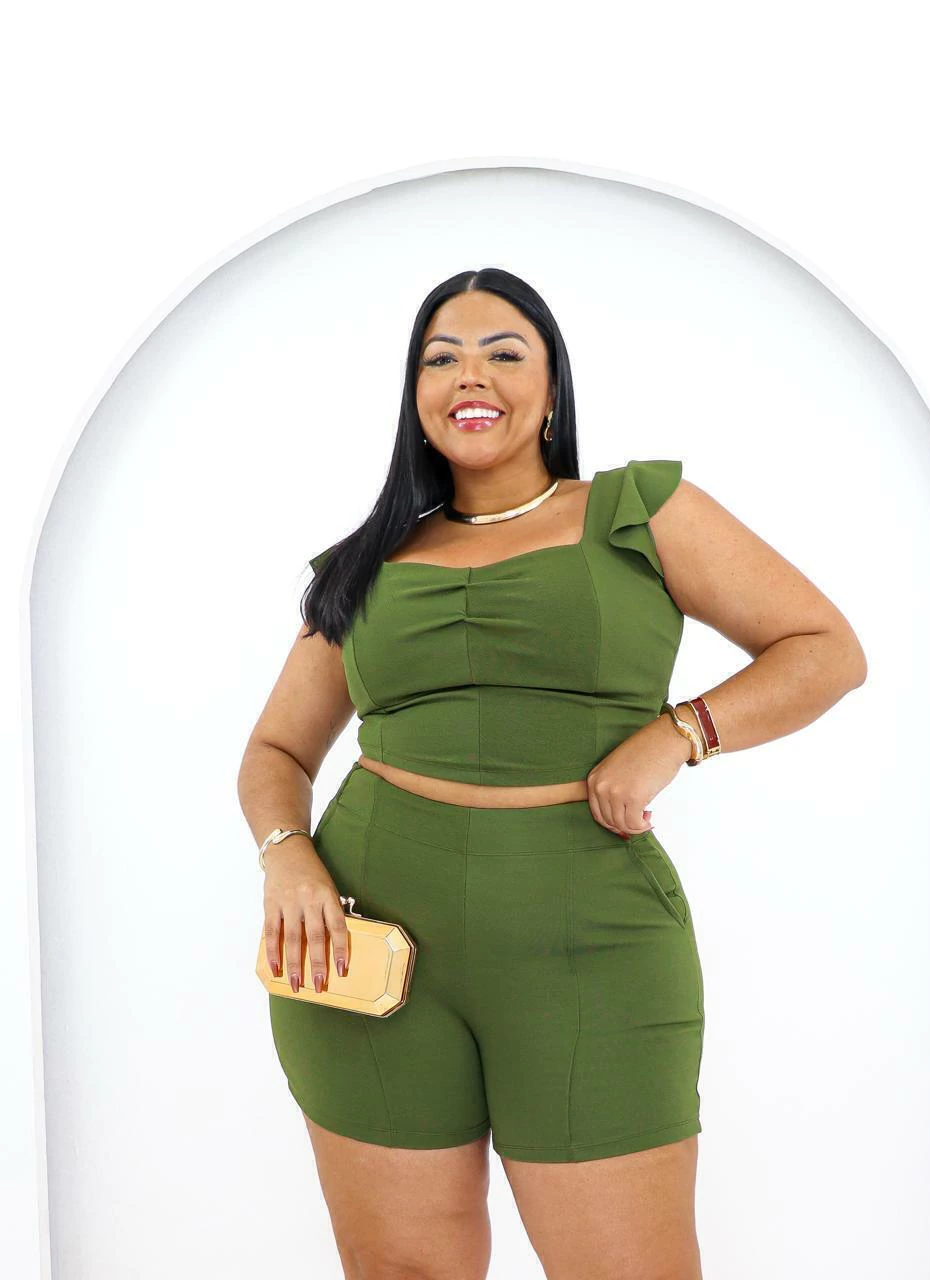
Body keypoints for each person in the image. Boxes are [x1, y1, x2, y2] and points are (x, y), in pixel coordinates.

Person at [236, 267, 868, 1280]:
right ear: (415, 395)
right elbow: (275, 750)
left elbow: (825, 648)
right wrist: (287, 855)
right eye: (440, 359)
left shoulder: (639, 511)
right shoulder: (365, 561)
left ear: (552, 387)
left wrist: (683, 730)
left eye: (503, 352)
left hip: (592, 944)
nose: (469, 375)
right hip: (370, 949)